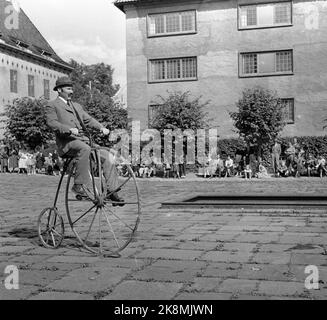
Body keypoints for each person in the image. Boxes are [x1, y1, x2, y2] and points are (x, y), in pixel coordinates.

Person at [45, 76, 124, 205]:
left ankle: (111, 191)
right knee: (84, 148)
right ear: (59, 90)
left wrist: (101, 127)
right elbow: (51, 123)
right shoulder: (52, 105)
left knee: (107, 155)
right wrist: (68, 129)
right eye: (68, 89)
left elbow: (88, 119)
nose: (71, 91)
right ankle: (79, 185)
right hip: (67, 142)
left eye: (72, 89)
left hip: (84, 140)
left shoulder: (76, 106)